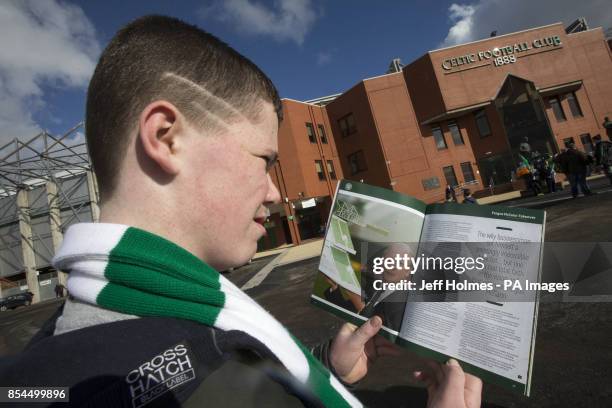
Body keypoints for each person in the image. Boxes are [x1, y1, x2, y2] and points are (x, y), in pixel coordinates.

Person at [0, 15, 481, 408]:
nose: (274, 192)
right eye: (264, 162)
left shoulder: (75, 336)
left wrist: (326, 367)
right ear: (167, 138)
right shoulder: (166, 381)